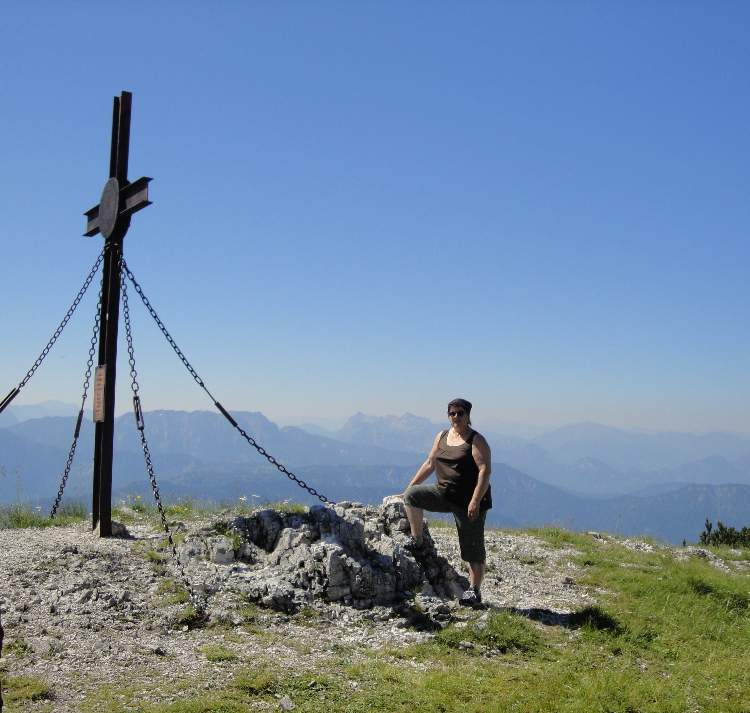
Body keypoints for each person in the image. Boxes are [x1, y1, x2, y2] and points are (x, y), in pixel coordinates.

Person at [402, 398, 492, 606]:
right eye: (452, 413)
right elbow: (430, 463)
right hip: (443, 493)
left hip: (468, 501)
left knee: (472, 548)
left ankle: (474, 590)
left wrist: (475, 500)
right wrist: (409, 487)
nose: (456, 417)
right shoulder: (442, 436)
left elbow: (485, 471)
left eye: (461, 413)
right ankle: (417, 540)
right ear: (448, 415)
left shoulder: (476, 440)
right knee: (412, 496)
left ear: (468, 416)